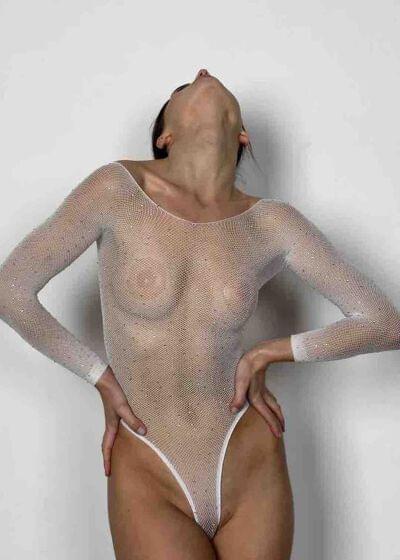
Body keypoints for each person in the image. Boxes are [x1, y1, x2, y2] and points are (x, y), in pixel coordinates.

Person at [0, 68, 399, 560]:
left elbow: (385, 323)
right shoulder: (115, 190)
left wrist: (271, 352)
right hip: (148, 460)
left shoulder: (272, 223)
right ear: (165, 137)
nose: (203, 72)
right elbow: (10, 289)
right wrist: (98, 376)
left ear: (242, 134)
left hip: (248, 450)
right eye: (183, 87)